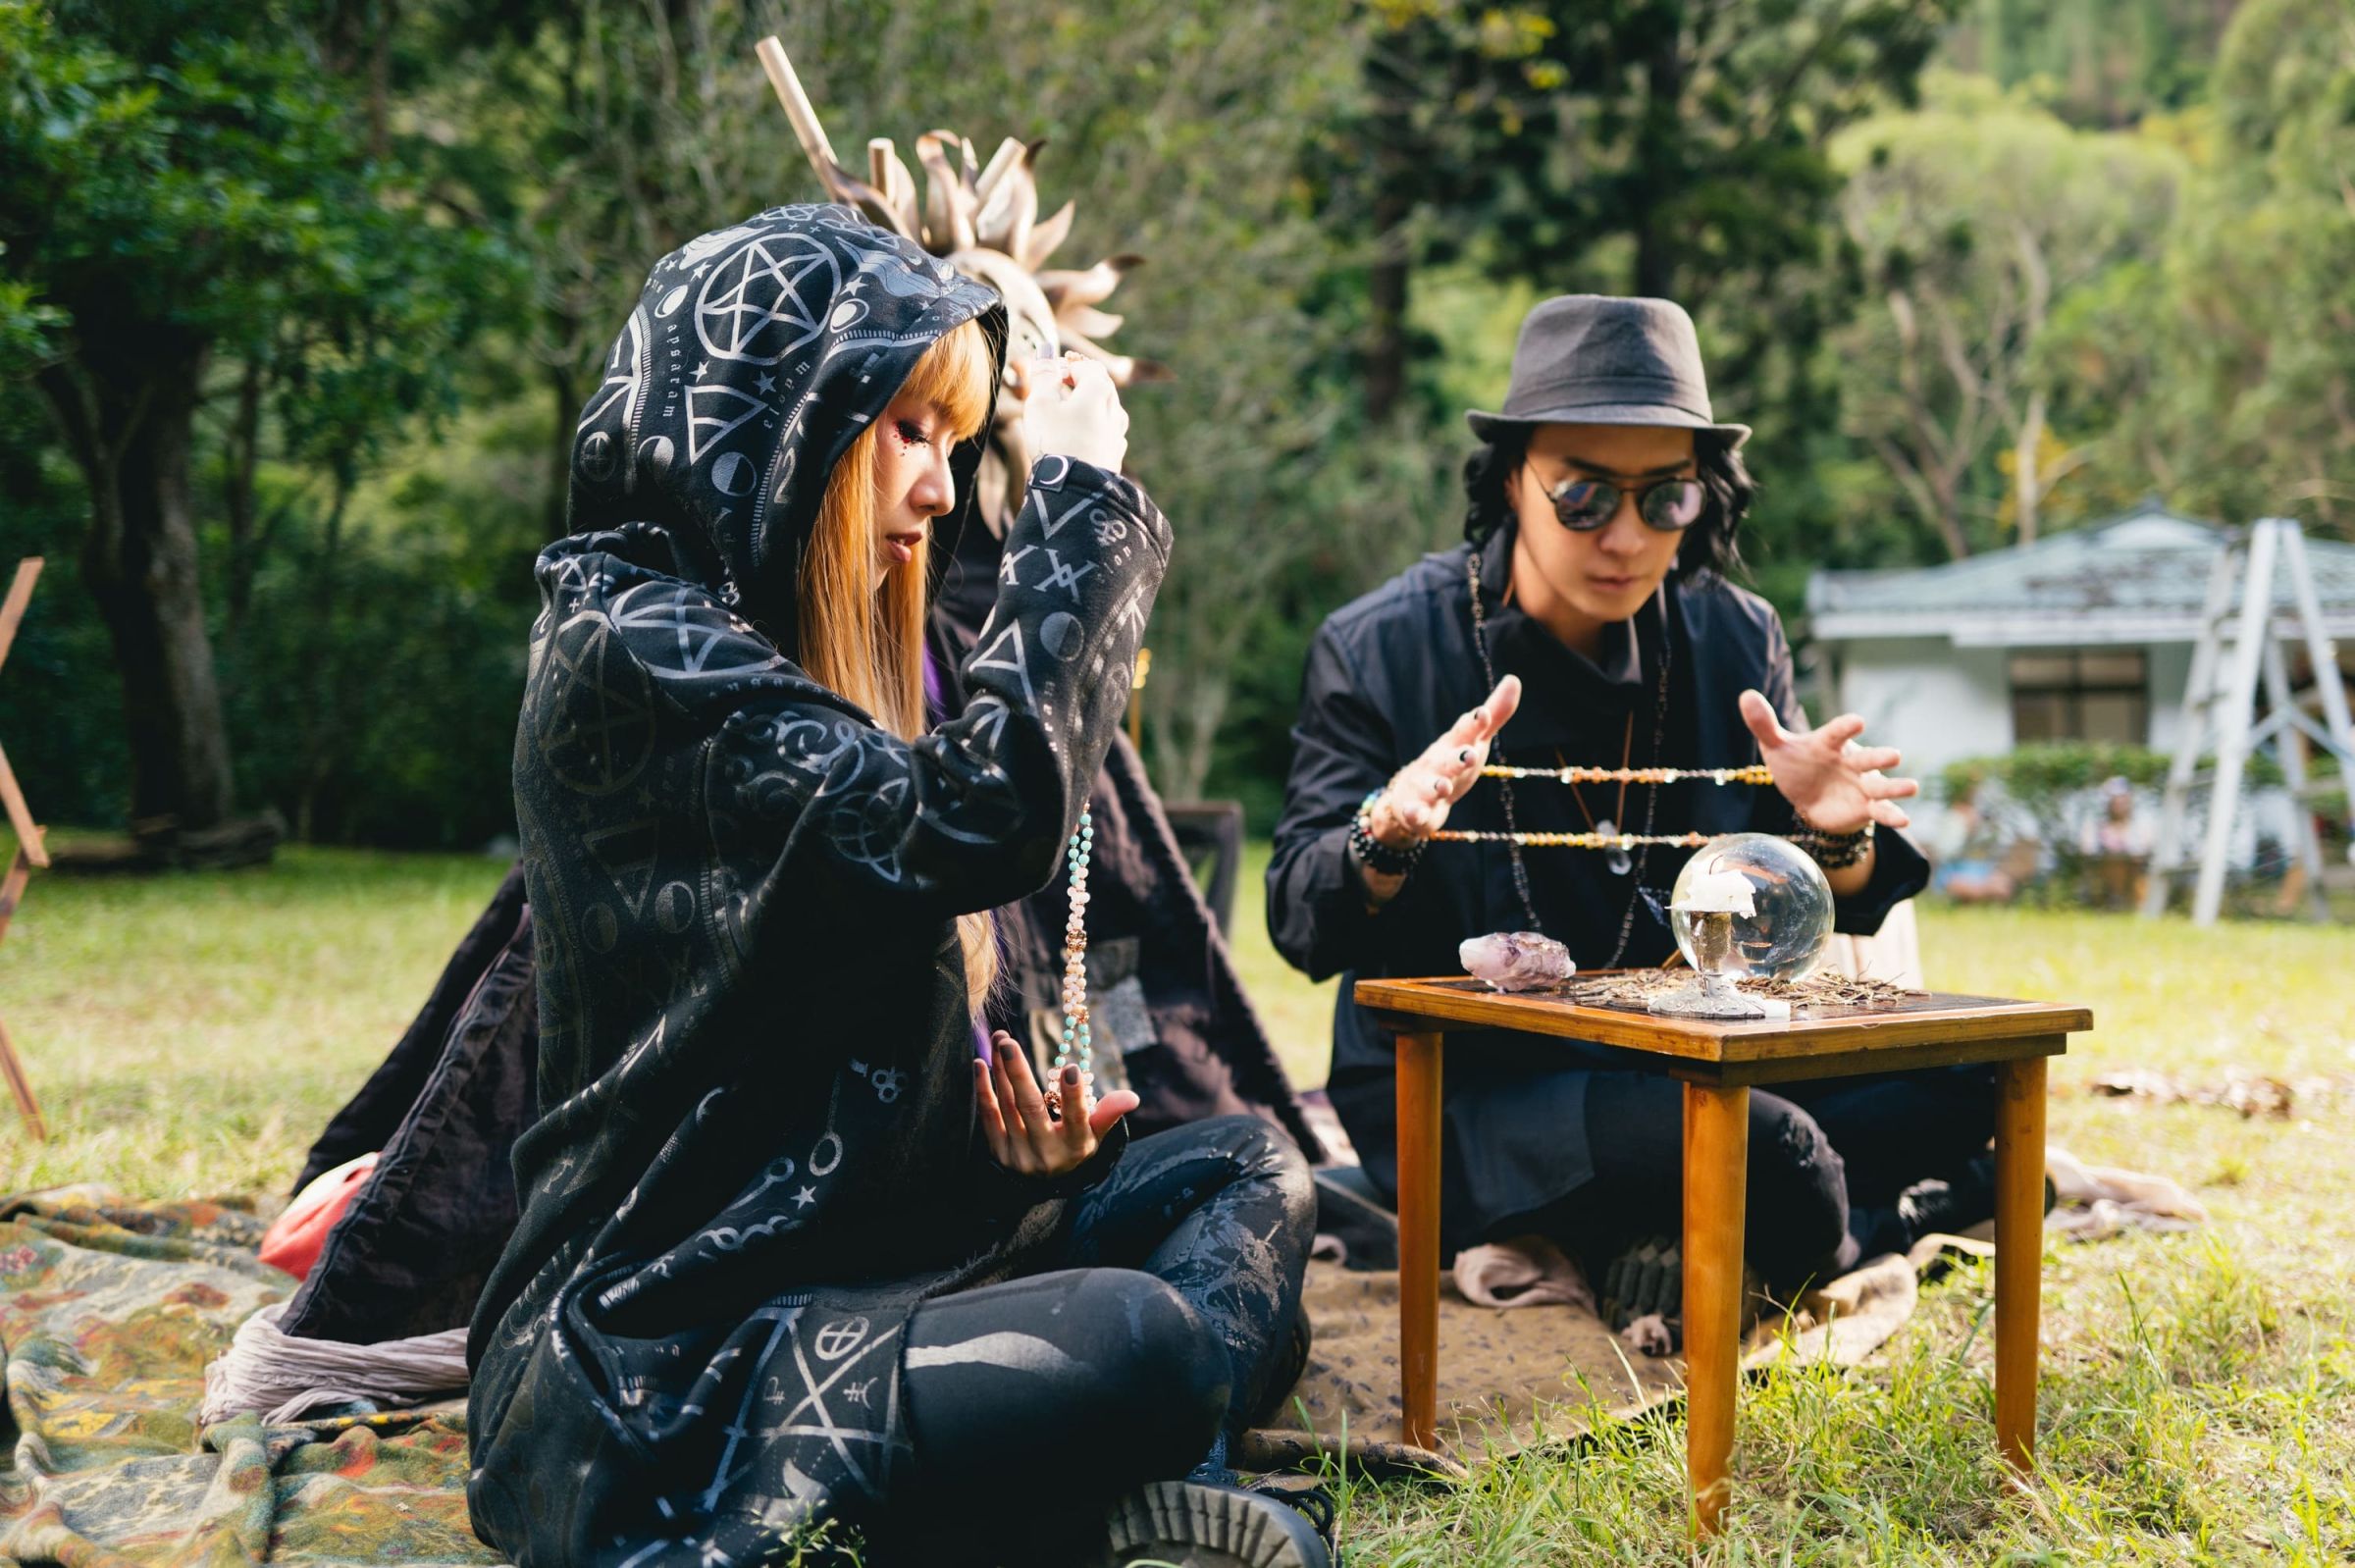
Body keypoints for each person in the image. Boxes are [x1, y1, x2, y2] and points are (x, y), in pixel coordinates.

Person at [467, 206, 1327, 1568]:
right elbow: (987, 816)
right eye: (907, 432)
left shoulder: (792, 649)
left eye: (957, 441)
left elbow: (828, 1058)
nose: (940, 491)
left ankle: (1149, 1492)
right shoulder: (632, 646)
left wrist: (1005, 1166)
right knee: (1148, 1340)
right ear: (775, 416)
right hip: (667, 1363)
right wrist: (1076, 496)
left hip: (880, 1262)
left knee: (1250, 1167)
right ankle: (1131, 1481)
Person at [1266, 295, 2000, 1311]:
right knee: (1776, 1149)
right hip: (1469, 1089)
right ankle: (1863, 1218)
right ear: (1512, 480)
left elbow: (1829, 897)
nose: (1625, 536)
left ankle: (1681, 1233)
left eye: (1665, 499)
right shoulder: (1381, 645)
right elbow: (1298, 920)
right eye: (1583, 496)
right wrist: (1385, 831)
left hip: (1687, 1049)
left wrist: (1834, 834)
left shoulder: (1734, 638)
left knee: (1978, 1071)